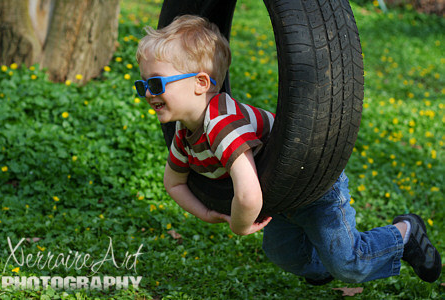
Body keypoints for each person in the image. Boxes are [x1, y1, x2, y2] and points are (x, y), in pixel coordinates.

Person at [134, 15, 441, 284]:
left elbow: (248, 195)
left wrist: (239, 226)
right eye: (142, 85)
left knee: (349, 264)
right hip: (280, 193)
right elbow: (173, 181)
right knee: (282, 254)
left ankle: (405, 232)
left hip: (313, 179)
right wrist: (208, 213)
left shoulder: (221, 124)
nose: (148, 93)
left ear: (201, 82)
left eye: (157, 84)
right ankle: (324, 268)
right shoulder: (184, 132)